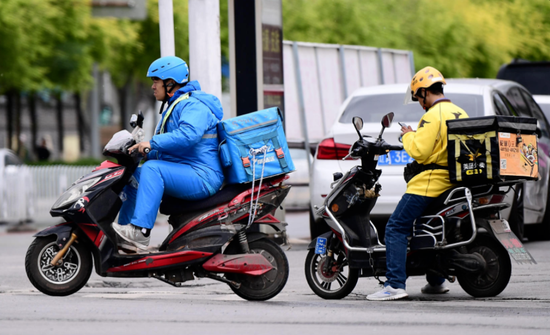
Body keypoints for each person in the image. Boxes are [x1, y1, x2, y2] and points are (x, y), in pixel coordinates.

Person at [367, 66, 469, 301]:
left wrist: (407, 135)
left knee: (396, 226)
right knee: (429, 228)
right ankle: (436, 282)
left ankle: (394, 285)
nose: (419, 102)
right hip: (453, 183)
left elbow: (420, 152)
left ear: (424, 92)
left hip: (430, 183)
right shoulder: (459, 112)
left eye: (418, 97)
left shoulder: (432, 115)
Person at [112, 56, 224, 252]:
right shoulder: (177, 105)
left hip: (203, 176)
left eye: (156, 81)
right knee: (133, 177)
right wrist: (143, 150)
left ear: (170, 83)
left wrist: (151, 144)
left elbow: (188, 136)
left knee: (152, 170)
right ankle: (125, 236)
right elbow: (174, 148)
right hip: (187, 170)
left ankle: (140, 231)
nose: (153, 86)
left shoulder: (193, 105)